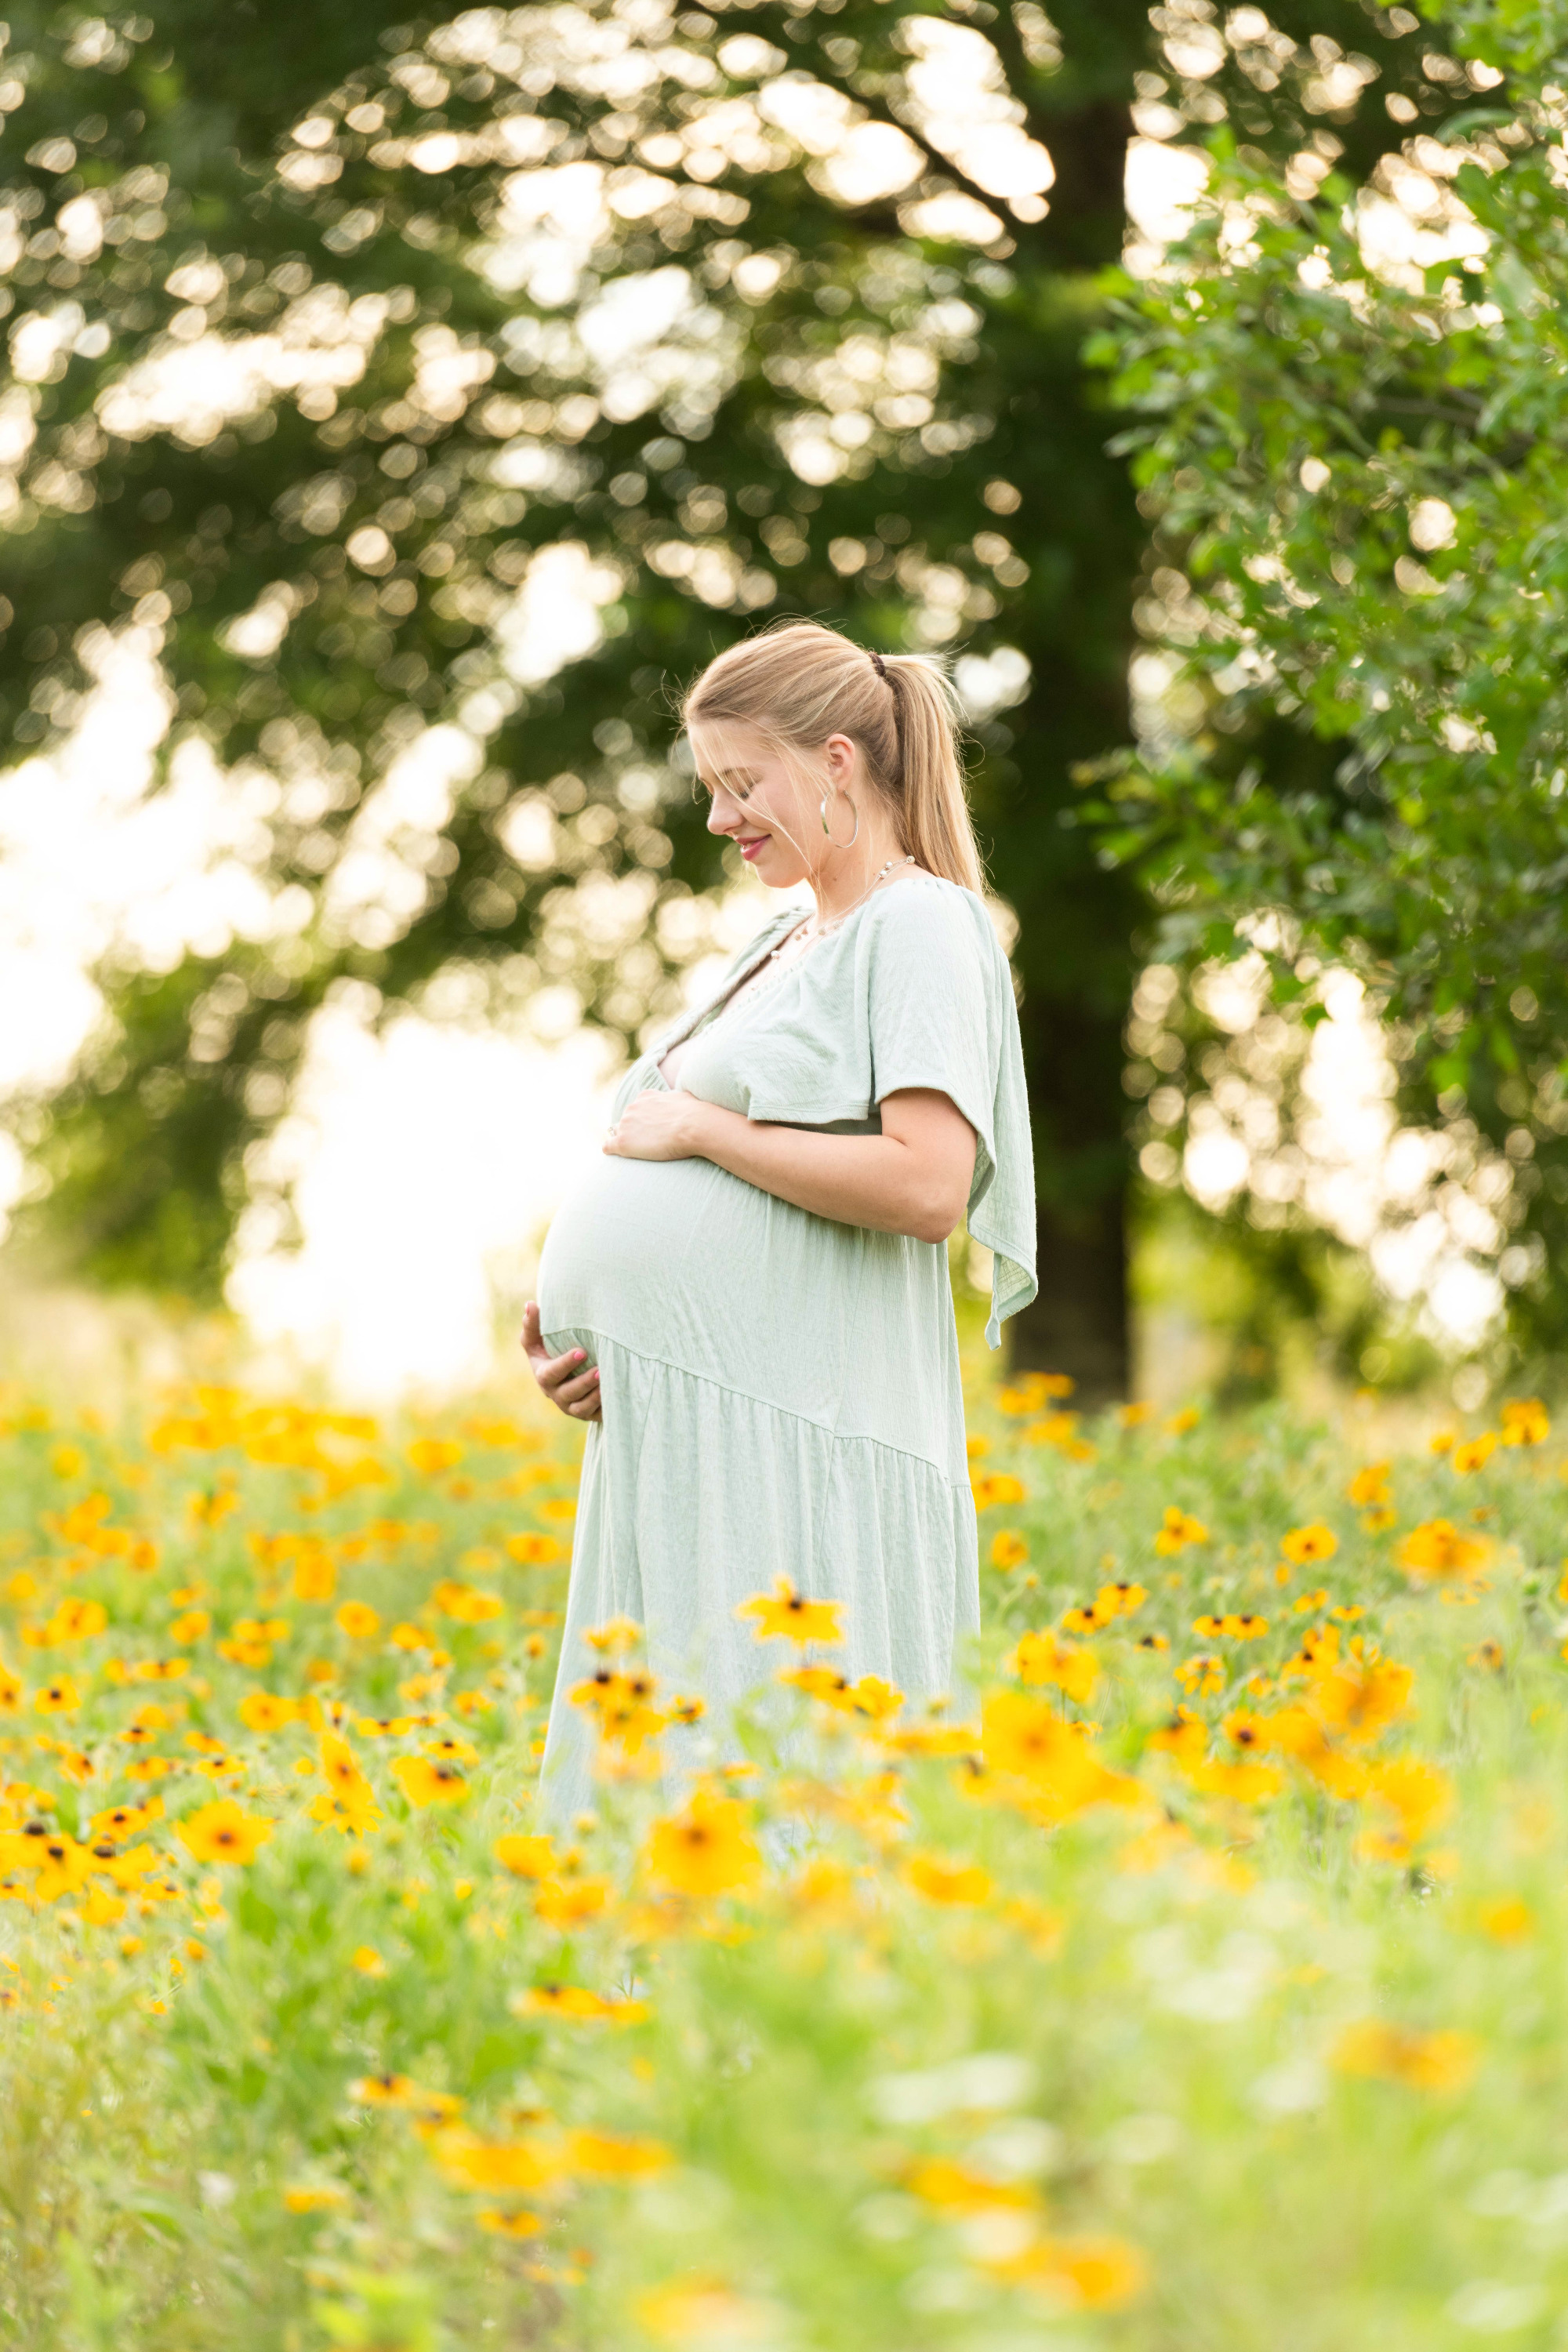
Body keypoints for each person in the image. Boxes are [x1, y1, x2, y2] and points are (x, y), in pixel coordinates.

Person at [521, 619, 1036, 1825]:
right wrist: (586, 1331)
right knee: (676, 1788)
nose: (720, 818)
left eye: (740, 783)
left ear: (837, 762)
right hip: (690, 1437)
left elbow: (926, 1186)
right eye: (711, 787)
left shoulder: (921, 924)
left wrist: (709, 1134)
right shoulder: (782, 939)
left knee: (782, 1787)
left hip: (804, 1443)